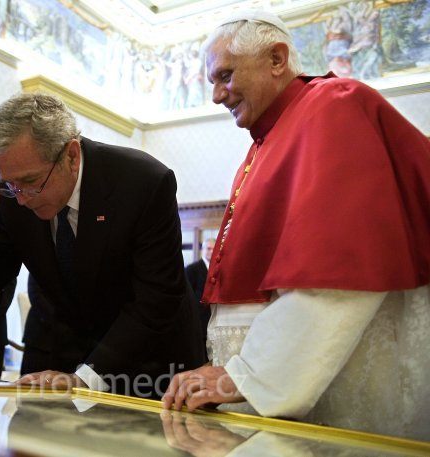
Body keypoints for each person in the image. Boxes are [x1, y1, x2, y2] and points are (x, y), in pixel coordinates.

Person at [163, 10, 430, 440]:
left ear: (277, 59)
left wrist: (249, 374)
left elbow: (338, 269)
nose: (216, 96)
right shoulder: (267, 140)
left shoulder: (336, 104)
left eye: (225, 76)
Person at [0, 93, 205, 397]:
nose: (20, 199)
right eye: (10, 184)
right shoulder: (15, 189)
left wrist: (86, 378)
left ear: (71, 156)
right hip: (65, 351)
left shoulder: (143, 182)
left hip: (150, 364)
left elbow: (158, 298)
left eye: (31, 183)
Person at [184, 238, 215, 344]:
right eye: (209, 248)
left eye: (213, 249)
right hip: (198, 316)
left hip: (213, 315)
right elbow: (187, 295)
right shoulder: (192, 269)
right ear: (203, 249)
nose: (211, 251)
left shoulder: (218, 269)